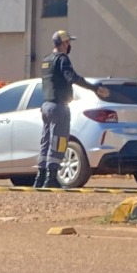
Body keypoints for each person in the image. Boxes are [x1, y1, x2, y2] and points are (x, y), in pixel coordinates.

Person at [34, 30, 109, 190]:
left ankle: (40, 177)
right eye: (69, 42)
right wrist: (94, 88)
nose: (70, 46)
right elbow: (71, 77)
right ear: (64, 43)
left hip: (46, 106)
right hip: (59, 106)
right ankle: (51, 178)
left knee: (46, 141)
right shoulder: (63, 59)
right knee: (59, 141)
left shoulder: (46, 60)